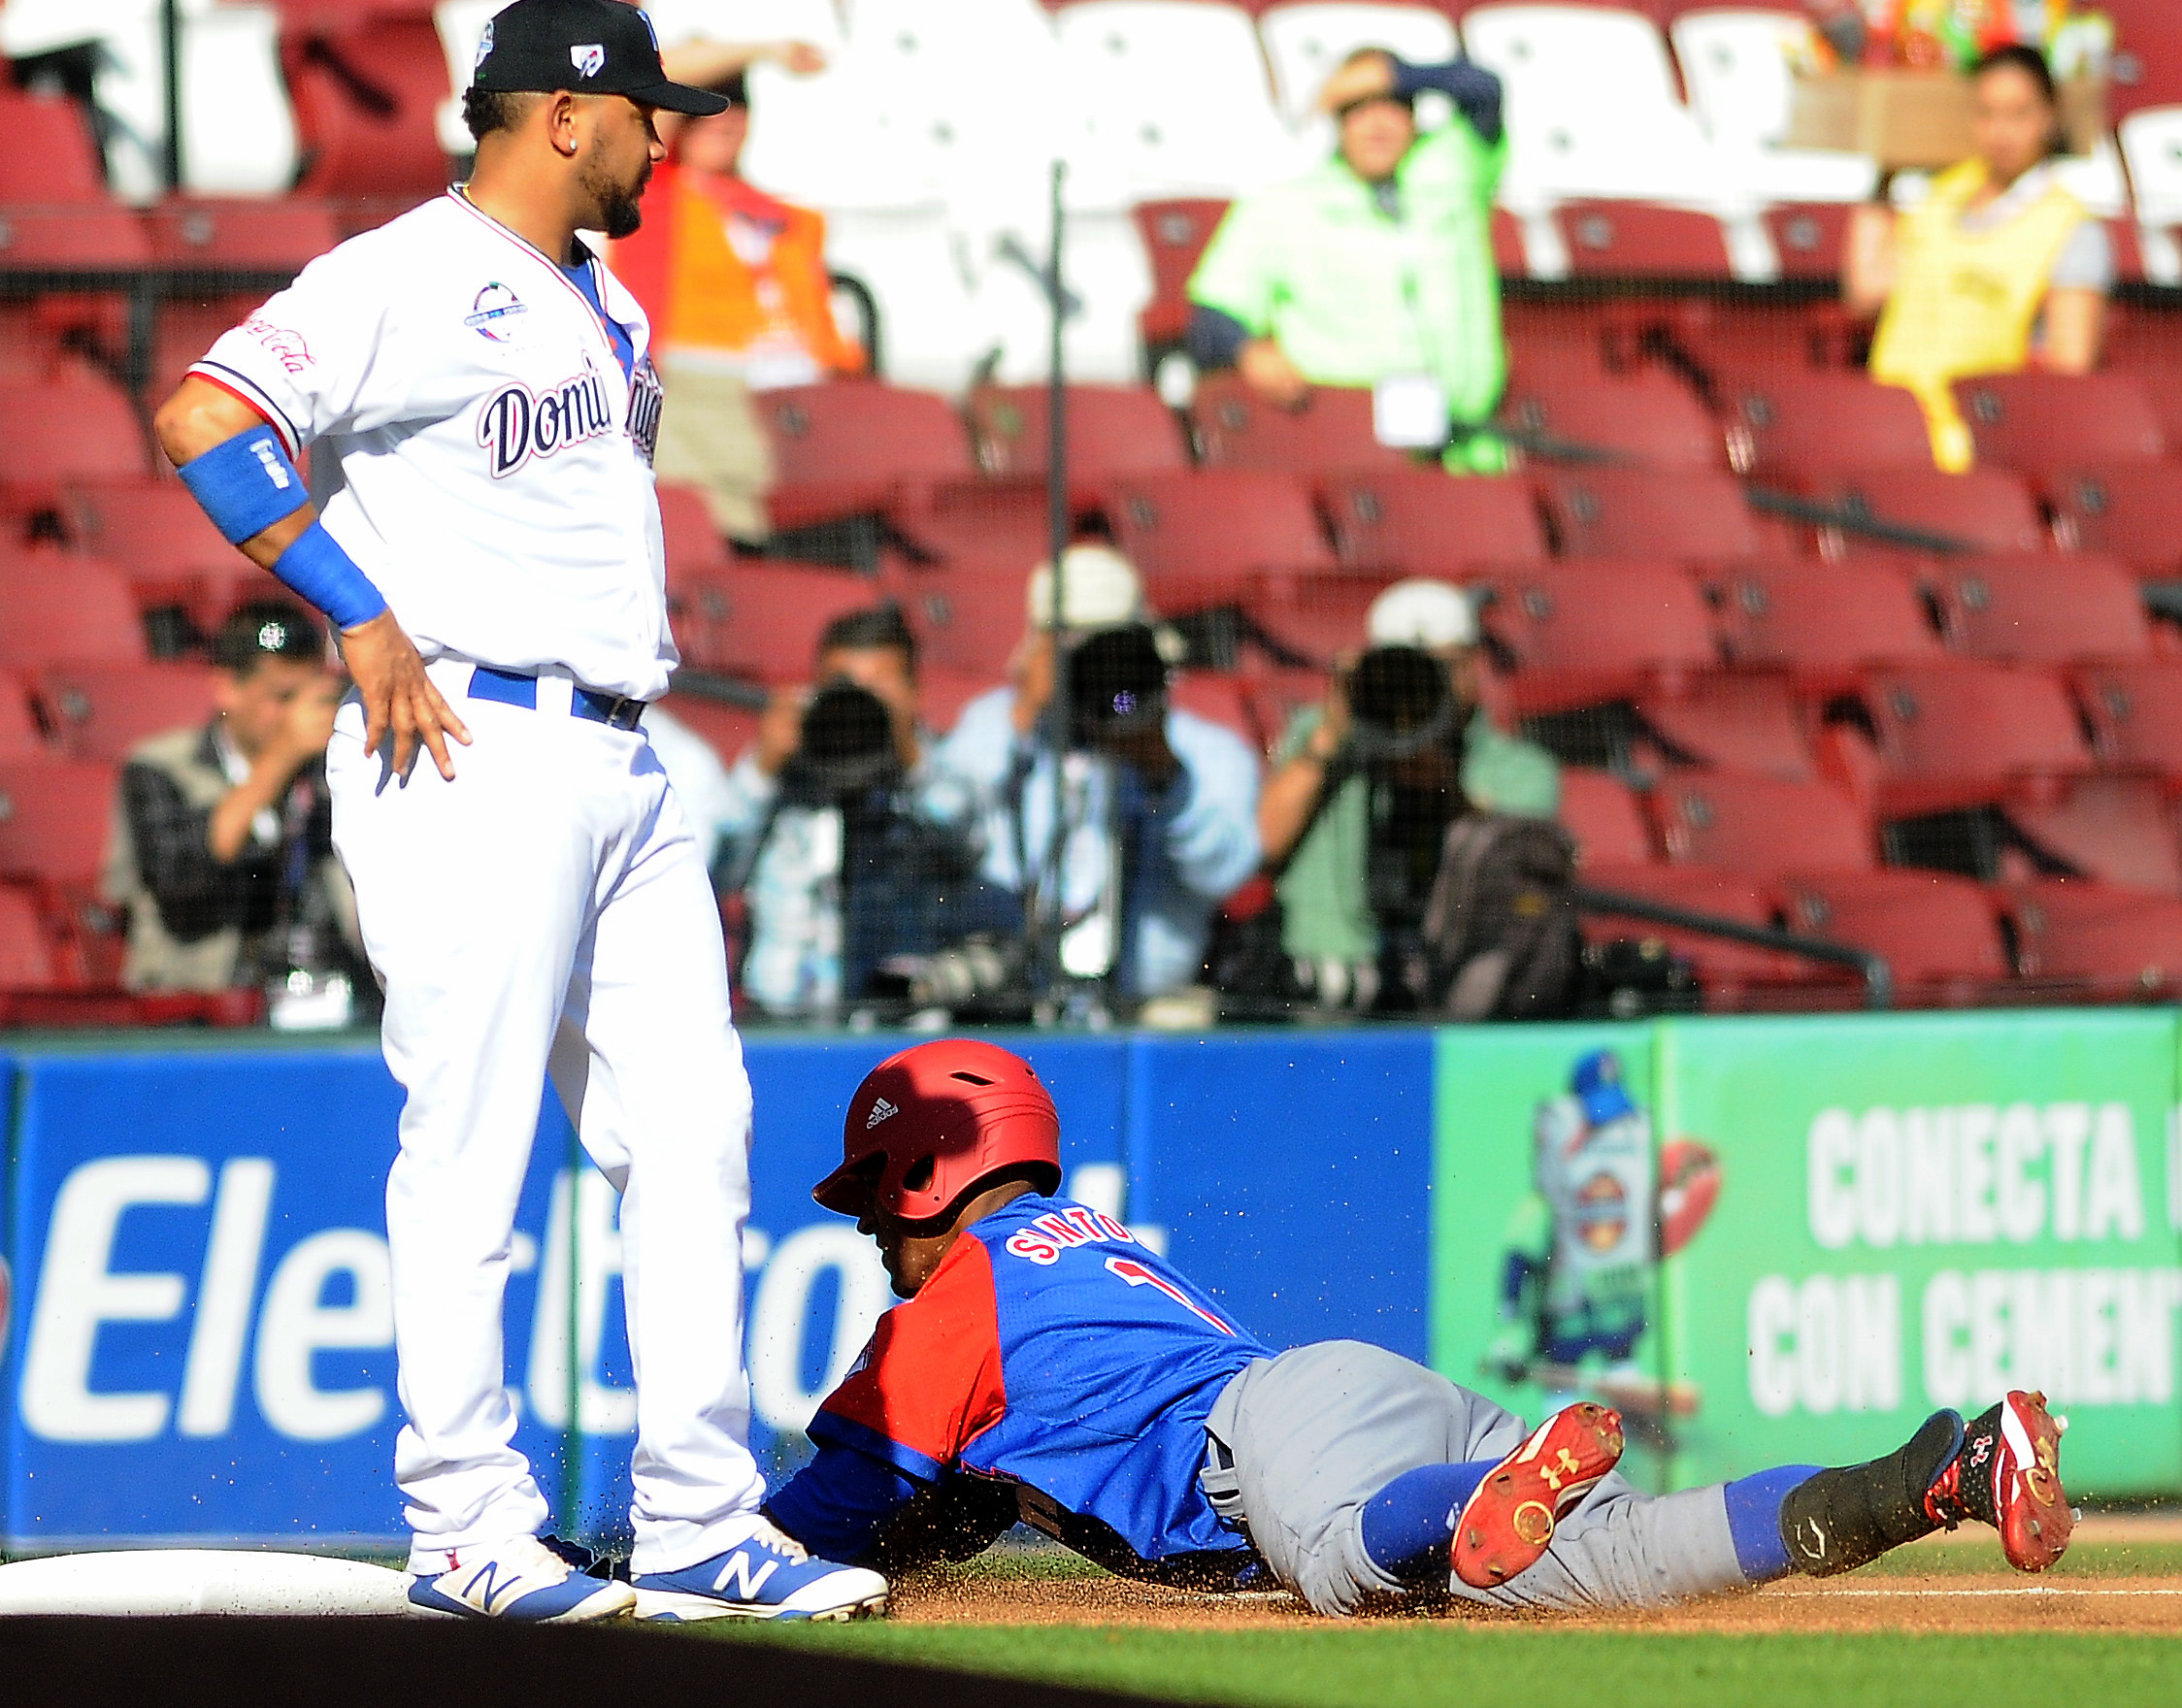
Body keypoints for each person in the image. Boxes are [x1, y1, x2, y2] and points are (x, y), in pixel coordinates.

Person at [150, 0, 883, 1626]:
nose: (665, 132)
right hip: (463, 736)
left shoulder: (602, 293)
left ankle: (699, 1513)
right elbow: (206, 420)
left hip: (623, 752)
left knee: (691, 1133)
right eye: (644, 106)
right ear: (565, 113)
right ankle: (469, 1525)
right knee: (470, 1147)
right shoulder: (403, 273)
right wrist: (352, 605)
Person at [762, 1038, 2074, 1619]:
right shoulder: (1079, 1249)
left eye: (877, 1196)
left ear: (929, 1170)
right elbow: (952, 1508)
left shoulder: (956, 1297)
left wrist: (688, 1550)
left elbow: (846, 1497)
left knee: (1342, 1571)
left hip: (1285, 1452)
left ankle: (1477, 1500)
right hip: (1354, 1404)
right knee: (1629, 1566)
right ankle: (1944, 1476)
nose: (874, 1231)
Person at [937, 547, 1261, 1003]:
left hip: (1151, 1009)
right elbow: (942, 822)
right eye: (1073, 645)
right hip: (1015, 997)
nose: (1093, 663)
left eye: (1108, 645)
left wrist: (1159, 767)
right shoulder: (994, 727)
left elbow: (1226, 872)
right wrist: (1026, 719)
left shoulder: (1205, 751)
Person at [1187, 48, 1509, 472]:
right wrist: (1247, 352)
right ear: (1337, 124)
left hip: (1467, 444)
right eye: (1358, 110)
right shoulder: (1284, 205)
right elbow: (1215, 312)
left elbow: (1483, 90)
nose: (1377, 125)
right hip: (1349, 444)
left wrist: (1389, 74)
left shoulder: (1451, 169)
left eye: (1393, 107)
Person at [1256, 578, 1558, 1008]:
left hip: (1449, 992)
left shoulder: (1522, 770)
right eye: (1408, 671)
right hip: (1324, 976)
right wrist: (1329, 739)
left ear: (1474, 663)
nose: (1425, 687)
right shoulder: (1322, 736)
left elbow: (1516, 867)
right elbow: (1263, 843)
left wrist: (1445, 789)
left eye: (1442, 667)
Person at [610, 39, 863, 543]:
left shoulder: (788, 216)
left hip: (797, 412)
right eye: (704, 106)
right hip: (698, 407)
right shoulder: (649, 192)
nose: (723, 118)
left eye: (736, 103)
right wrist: (761, 50)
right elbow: (651, 84)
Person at [711, 605, 1000, 1018]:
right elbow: (717, 873)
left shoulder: (934, 776)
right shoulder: (784, 782)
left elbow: (972, 844)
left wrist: (906, 752)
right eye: (845, 687)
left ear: (914, 693)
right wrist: (762, 768)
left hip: (899, 1018)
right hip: (784, 1018)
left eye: (878, 687)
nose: (860, 702)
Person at [1847, 44, 2111, 473]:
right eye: (1987, 113)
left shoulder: (2072, 228)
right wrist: (1882, 175)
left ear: (2049, 117)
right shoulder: (1941, 197)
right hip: (1886, 430)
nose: (2000, 132)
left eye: (2018, 114)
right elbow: (1866, 291)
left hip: (1976, 450)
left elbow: (2069, 369)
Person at [104, 602, 361, 1002]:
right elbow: (180, 882)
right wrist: (279, 760)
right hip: (195, 1008)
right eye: (282, 696)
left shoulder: (334, 774)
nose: (297, 715)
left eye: (309, 696)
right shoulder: (160, 767)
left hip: (327, 996)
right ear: (227, 688)